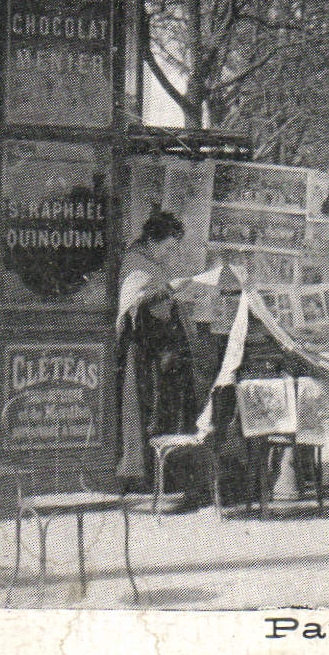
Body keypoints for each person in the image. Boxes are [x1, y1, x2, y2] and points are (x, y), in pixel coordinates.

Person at [116, 211, 203, 503]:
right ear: (152, 241)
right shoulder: (136, 264)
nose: (170, 254)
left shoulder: (150, 262)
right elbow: (134, 304)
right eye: (167, 247)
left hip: (155, 346)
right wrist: (169, 289)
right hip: (139, 347)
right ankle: (136, 475)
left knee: (155, 409)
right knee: (139, 410)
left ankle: (156, 474)